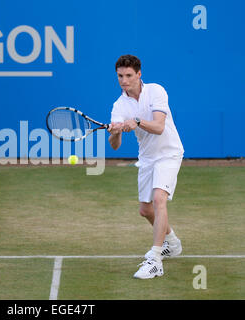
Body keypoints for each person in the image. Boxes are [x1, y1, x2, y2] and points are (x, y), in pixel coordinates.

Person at [108, 54, 184, 279]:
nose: (124, 80)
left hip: (169, 152)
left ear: (139, 74)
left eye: (129, 75)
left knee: (160, 198)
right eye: (120, 76)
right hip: (148, 157)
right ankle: (172, 242)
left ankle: (155, 259)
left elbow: (159, 127)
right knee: (146, 210)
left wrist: (138, 122)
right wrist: (115, 132)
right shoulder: (119, 105)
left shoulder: (156, 91)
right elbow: (114, 146)